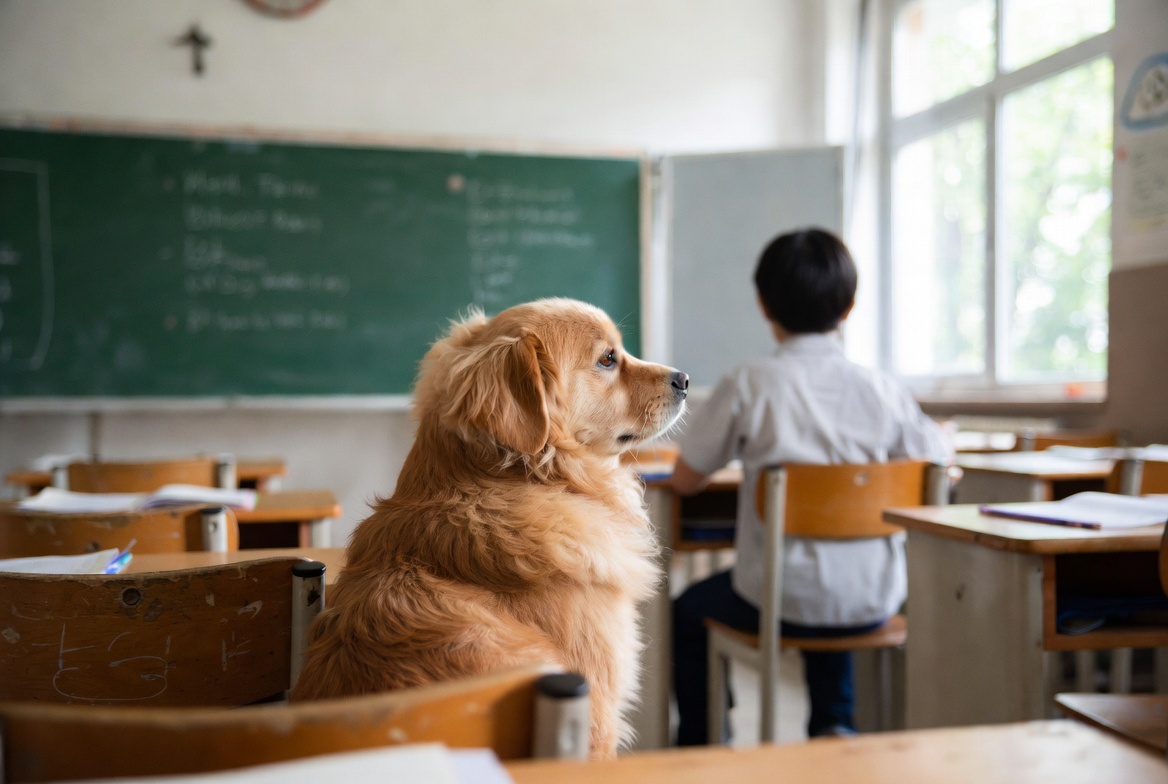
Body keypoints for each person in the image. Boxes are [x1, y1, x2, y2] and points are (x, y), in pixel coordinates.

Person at [670, 227, 952, 744]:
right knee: (835, 579)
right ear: (848, 307)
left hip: (778, 601)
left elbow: (687, 480)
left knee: (686, 610)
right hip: (875, 599)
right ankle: (833, 722)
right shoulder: (882, 388)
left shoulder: (749, 381)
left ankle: (704, 742)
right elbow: (937, 464)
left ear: (764, 305)